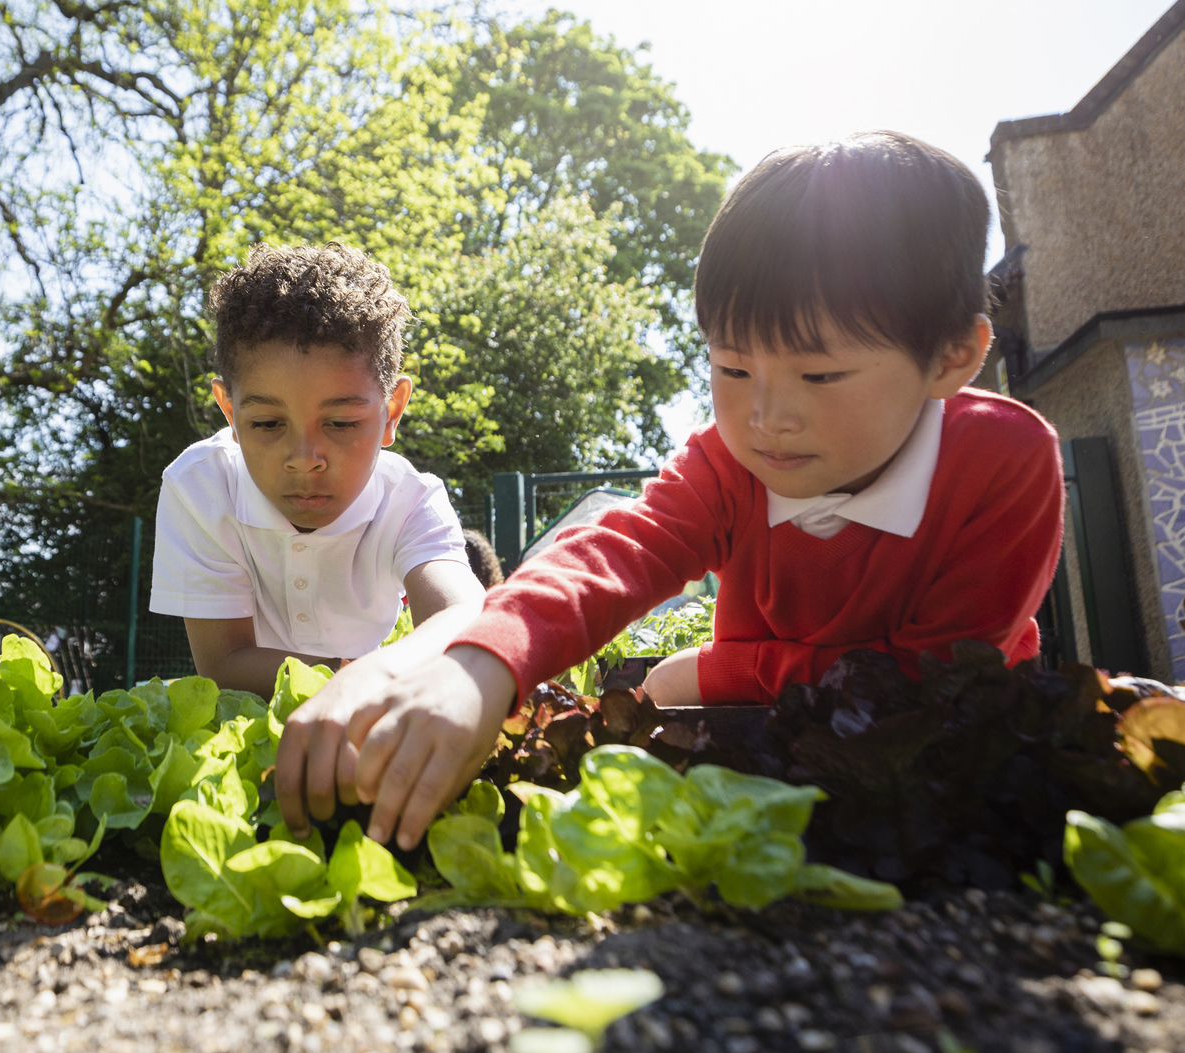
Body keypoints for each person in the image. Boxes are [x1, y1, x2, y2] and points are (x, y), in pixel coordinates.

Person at [277, 132, 1065, 850]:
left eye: (819, 374)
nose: (765, 417)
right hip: (769, 752)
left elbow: (931, 684)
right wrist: (478, 668)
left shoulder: (1006, 462)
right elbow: (614, 554)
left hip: (950, 773)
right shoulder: (730, 463)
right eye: (732, 369)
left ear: (952, 357)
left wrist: (720, 673)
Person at [149, 243, 486, 737]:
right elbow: (225, 665)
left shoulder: (411, 499)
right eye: (266, 422)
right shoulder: (199, 487)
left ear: (391, 412)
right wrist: (355, 673)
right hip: (244, 728)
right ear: (229, 411)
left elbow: (463, 612)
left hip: (363, 717)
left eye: (342, 422)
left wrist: (373, 677)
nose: (304, 458)